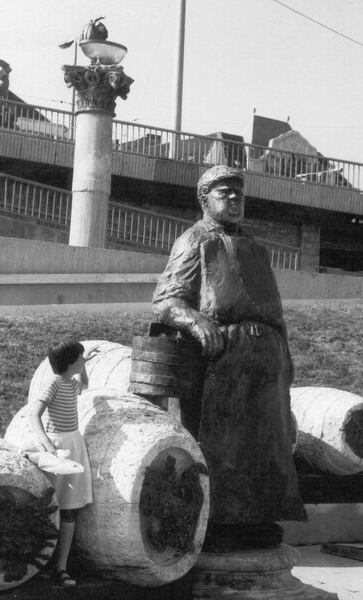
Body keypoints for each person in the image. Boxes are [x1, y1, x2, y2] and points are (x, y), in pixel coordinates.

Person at [152, 164, 306, 551]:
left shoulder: (256, 248)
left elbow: (276, 311)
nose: (235, 199)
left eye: (239, 193)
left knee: (268, 444)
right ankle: (217, 522)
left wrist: (285, 357)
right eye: (225, 192)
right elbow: (166, 300)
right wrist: (194, 319)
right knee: (224, 446)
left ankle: (260, 519)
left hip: (266, 358)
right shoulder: (195, 241)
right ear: (205, 199)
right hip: (223, 359)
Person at [30, 341, 93, 587]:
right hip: (57, 448)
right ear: (69, 363)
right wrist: (46, 443)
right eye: (81, 358)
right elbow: (34, 414)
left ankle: (61, 567)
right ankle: (40, 565)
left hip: (74, 445)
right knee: (51, 506)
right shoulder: (54, 384)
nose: (84, 360)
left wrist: (85, 366)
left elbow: (85, 385)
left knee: (70, 507)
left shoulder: (71, 383)